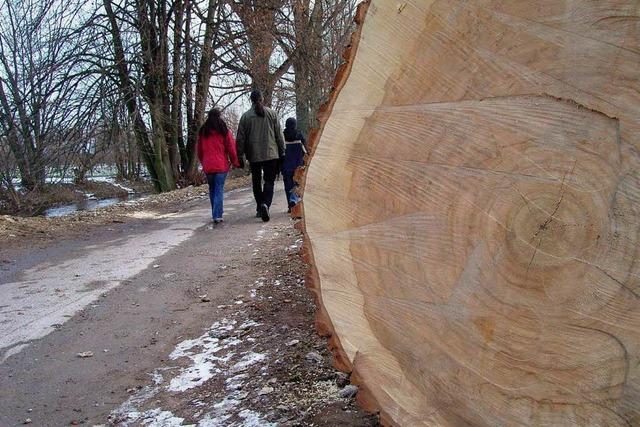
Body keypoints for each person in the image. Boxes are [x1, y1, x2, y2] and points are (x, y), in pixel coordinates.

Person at [236, 89, 285, 222]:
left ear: (251, 100)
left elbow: (240, 138)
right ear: (262, 99)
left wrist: (240, 155)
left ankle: (259, 206)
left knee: (256, 182)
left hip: (254, 154)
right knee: (269, 181)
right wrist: (282, 151)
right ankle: (265, 204)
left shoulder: (245, 117)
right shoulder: (272, 114)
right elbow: (279, 135)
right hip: (271, 153)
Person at [196, 107, 241, 224]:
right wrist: (235, 162)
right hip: (221, 165)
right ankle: (217, 215)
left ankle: (214, 213)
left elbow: (199, 151)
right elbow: (231, 148)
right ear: (219, 116)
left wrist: (203, 162)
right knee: (219, 189)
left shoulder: (203, 132)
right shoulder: (224, 130)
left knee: (212, 189)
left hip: (208, 166)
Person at [281, 117, 306, 212]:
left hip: (286, 165)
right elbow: (305, 150)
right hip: (298, 165)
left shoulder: (282, 136)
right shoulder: (299, 135)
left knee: (288, 185)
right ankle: (294, 200)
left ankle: (290, 206)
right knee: (296, 184)